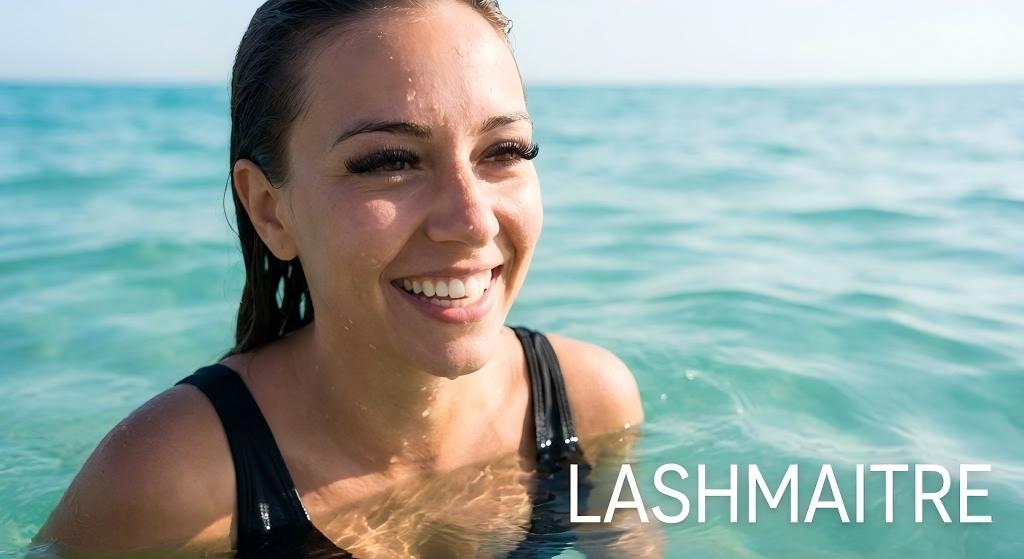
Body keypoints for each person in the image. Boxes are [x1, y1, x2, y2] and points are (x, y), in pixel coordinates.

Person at [34, 0, 644, 556]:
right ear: (271, 210)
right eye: (389, 161)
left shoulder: (586, 406)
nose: (471, 220)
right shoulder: (171, 482)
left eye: (505, 151)